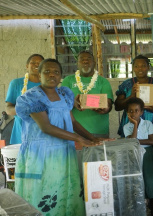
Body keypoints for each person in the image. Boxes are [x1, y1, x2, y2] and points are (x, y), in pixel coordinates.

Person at [15, 59, 105, 215]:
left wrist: (91, 137)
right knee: (43, 193)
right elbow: (46, 127)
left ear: (61, 76)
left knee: (64, 191)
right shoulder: (32, 97)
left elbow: (73, 121)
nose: (52, 75)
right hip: (41, 154)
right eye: (47, 72)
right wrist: (79, 139)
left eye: (56, 72)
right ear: (39, 74)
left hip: (63, 152)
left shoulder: (64, 94)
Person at [61, 51, 113, 138]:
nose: (85, 61)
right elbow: (61, 103)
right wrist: (73, 103)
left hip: (98, 130)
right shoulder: (68, 80)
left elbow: (109, 104)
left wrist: (105, 108)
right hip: (73, 131)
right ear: (77, 64)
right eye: (82, 59)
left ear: (94, 63)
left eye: (89, 59)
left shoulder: (103, 81)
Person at [123, 97, 153, 216]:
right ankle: (139, 209)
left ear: (142, 112)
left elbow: (151, 142)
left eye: (136, 110)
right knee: (137, 181)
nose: (133, 113)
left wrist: (136, 140)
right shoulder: (126, 126)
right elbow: (132, 142)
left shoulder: (148, 124)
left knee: (151, 180)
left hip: (148, 154)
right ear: (127, 112)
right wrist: (134, 125)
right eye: (131, 111)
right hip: (134, 155)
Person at [5, 54, 44, 144]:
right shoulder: (16, 83)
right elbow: (8, 109)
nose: (36, 65)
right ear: (27, 66)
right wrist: (25, 110)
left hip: (43, 134)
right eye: (33, 62)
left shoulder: (49, 85)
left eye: (40, 63)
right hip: (21, 134)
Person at [115, 55, 153, 137]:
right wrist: (131, 96)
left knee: (149, 145)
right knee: (130, 146)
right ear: (133, 68)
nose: (140, 69)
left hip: (151, 121)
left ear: (148, 67)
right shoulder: (127, 84)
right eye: (136, 66)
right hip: (130, 122)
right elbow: (117, 106)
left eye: (143, 66)